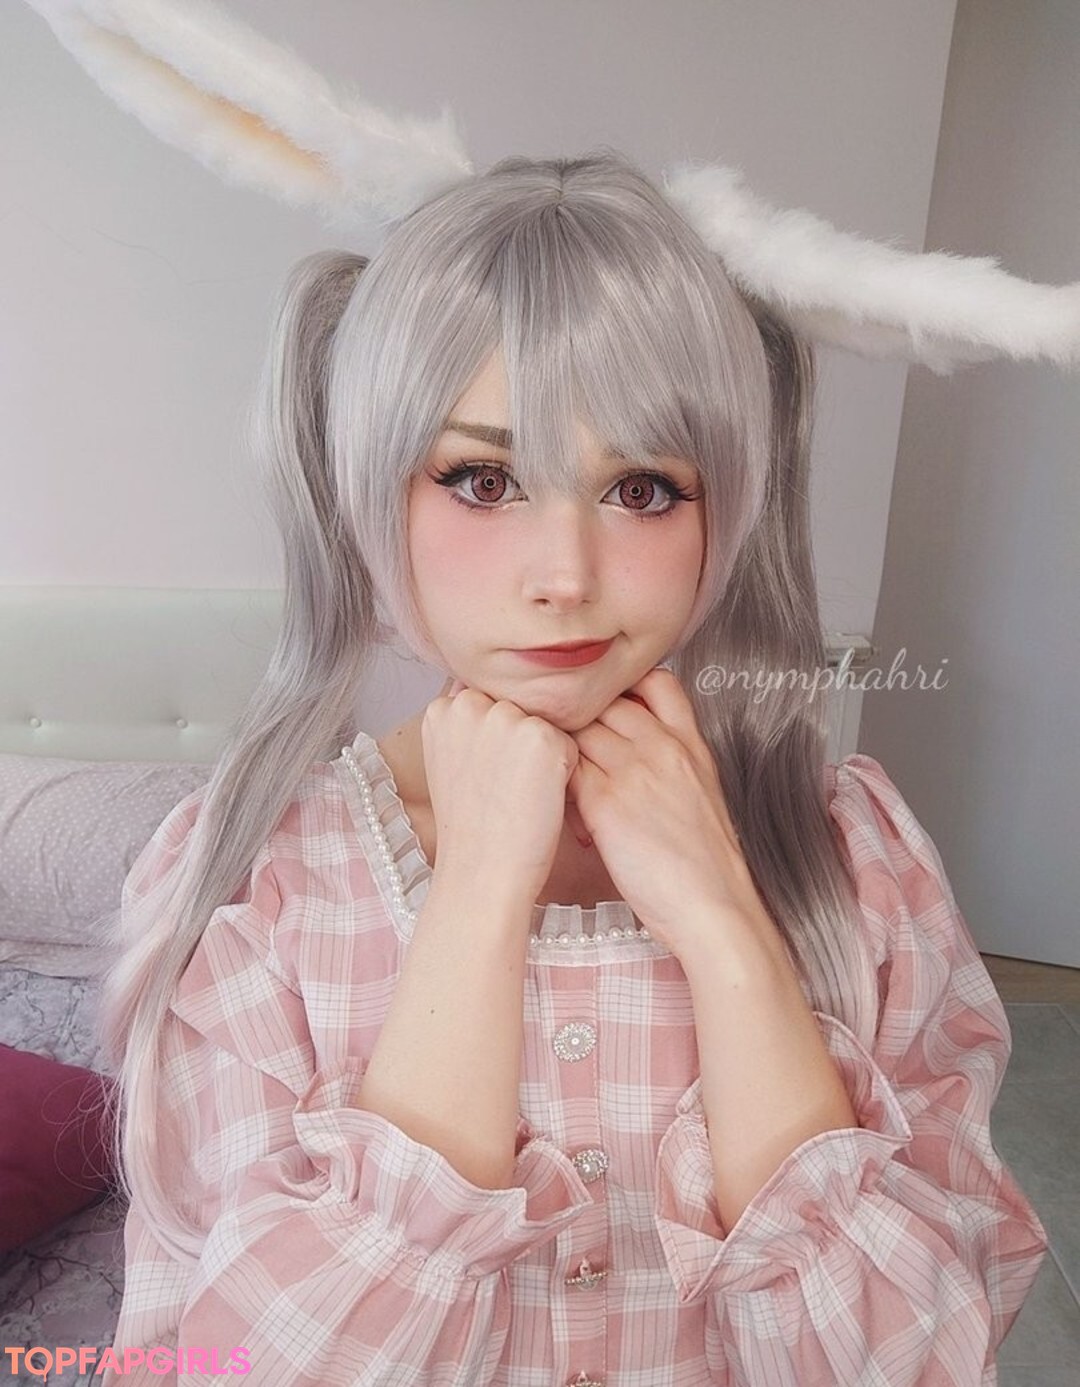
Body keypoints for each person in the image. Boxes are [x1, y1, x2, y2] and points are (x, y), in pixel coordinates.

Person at [91, 151, 1049, 1387]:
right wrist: (478, 894)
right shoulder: (256, 881)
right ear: (368, 490)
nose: (567, 574)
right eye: (483, 480)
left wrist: (725, 922)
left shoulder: (852, 860)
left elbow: (921, 1362)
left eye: (642, 488)